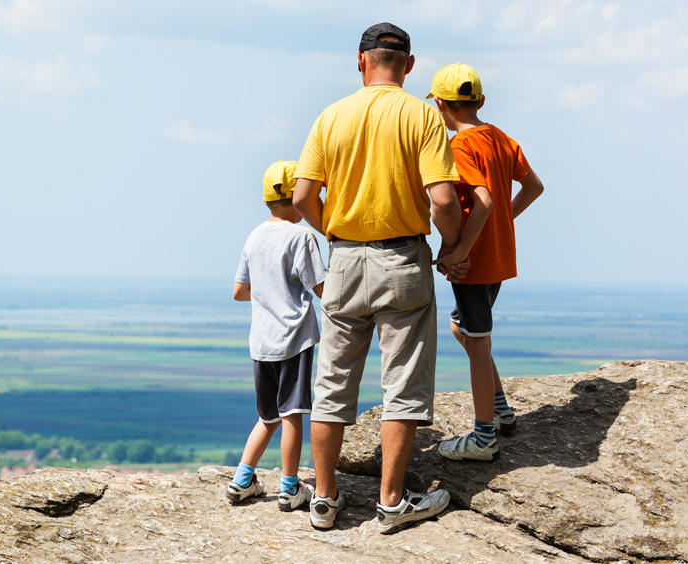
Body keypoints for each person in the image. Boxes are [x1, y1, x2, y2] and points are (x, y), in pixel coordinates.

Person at [292, 22, 466, 533]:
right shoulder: (422, 116)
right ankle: (392, 502)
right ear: (409, 66)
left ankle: (323, 499)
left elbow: (302, 197)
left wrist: (340, 237)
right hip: (403, 260)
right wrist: (453, 245)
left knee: (332, 384)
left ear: (361, 61)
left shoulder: (331, 115)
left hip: (344, 259)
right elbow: (442, 200)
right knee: (403, 386)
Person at [426, 63, 544, 461]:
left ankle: (482, 438)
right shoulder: (500, 138)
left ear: (440, 104)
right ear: (480, 100)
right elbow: (533, 187)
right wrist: (501, 225)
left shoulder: (458, 146)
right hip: (498, 255)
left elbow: (483, 200)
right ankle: (501, 410)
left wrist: (457, 251)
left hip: (473, 261)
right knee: (464, 328)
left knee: (477, 341)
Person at [227, 160, 328, 512]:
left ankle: (242, 480)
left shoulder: (254, 236)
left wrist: (267, 288)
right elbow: (321, 287)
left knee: (267, 416)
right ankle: (289, 487)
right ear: (294, 196)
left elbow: (239, 291)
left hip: (261, 342)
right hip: (293, 339)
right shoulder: (301, 236)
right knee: (292, 415)